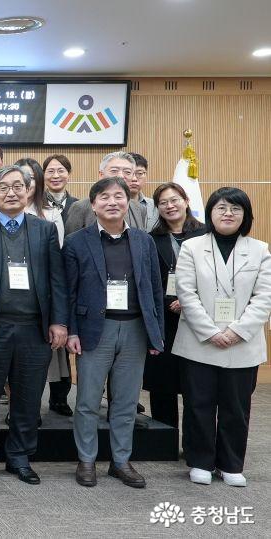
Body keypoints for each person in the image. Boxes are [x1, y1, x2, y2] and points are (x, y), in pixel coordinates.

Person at [0, 166, 67, 485]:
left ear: (29, 190)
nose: (11, 192)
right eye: (3, 187)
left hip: (34, 329)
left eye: (18, 186)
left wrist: (59, 321)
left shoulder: (44, 229)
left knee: (29, 396)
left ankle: (20, 456)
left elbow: (57, 280)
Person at [64, 177, 164, 489]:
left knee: (125, 401)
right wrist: (71, 331)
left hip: (135, 328)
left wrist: (155, 333)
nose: (112, 202)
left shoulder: (143, 240)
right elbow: (68, 292)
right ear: (93, 205)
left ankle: (121, 461)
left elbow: (155, 290)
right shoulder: (77, 241)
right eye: (104, 197)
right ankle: (87, 460)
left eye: (118, 196)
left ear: (128, 202)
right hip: (96, 330)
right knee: (88, 401)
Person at [173, 188, 271, 487]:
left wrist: (236, 331)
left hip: (243, 343)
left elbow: (264, 297)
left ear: (246, 215)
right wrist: (211, 331)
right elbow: (185, 293)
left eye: (235, 209)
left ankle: (230, 463)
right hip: (199, 340)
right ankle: (200, 460)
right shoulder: (192, 247)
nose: (228, 213)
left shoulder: (260, 249)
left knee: (236, 406)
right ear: (211, 212)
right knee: (198, 403)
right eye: (221, 208)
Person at [143, 183, 206, 431]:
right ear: (157, 207)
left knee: (197, 386)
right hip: (164, 320)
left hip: (198, 319)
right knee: (163, 384)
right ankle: (166, 440)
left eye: (174, 200)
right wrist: (170, 303)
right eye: (163, 203)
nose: (170, 206)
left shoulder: (205, 234)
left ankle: (194, 444)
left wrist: (190, 302)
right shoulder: (151, 239)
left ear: (186, 200)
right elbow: (148, 280)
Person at [39, 154, 77, 414]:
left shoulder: (80, 205)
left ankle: (60, 397)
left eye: (60, 170)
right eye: (50, 171)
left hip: (68, 278)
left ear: (68, 174)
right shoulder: (35, 203)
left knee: (62, 343)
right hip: (42, 279)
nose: (55, 175)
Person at [64, 152, 147, 235]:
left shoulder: (139, 208)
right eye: (114, 171)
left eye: (127, 172)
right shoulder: (80, 207)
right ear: (101, 175)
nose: (121, 176)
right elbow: (72, 243)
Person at [127, 153, 159, 232]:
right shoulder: (112, 206)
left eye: (140, 173)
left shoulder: (156, 206)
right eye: (128, 173)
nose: (134, 178)